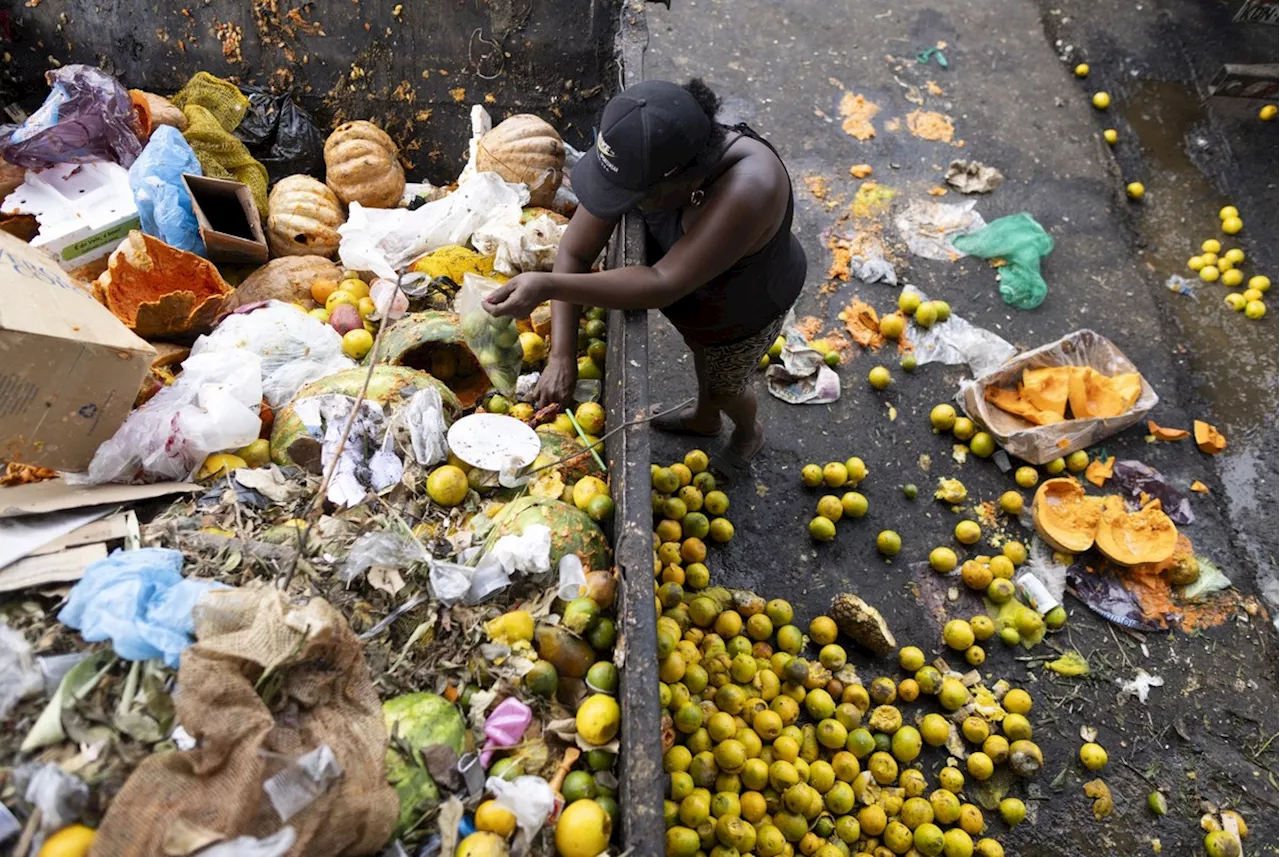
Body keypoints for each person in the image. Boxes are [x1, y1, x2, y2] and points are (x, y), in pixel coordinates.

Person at [483, 78, 806, 460]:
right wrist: (562, 355)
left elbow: (662, 281)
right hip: (695, 297)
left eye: (634, 197)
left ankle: (748, 431)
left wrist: (547, 286)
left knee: (725, 384)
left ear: (684, 180)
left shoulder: (752, 187)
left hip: (743, 308)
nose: (620, 203)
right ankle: (705, 420)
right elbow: (575, 252)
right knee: (700, 351)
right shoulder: (647, 155)